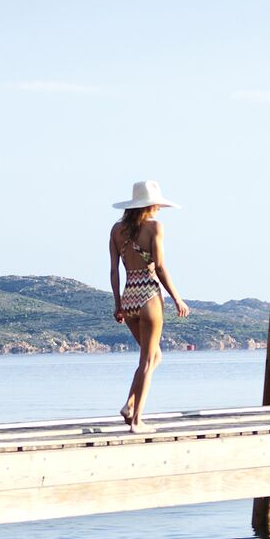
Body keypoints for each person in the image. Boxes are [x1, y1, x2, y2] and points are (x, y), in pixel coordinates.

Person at [107, 181, 186, 430]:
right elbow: (160, 267)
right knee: (148, 362)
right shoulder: (154, 228)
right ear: (150, 206)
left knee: (154, 356)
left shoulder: (116, 230)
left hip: (129, 294)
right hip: (149, 294)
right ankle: (137, 421)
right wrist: (176, 298)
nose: (159, 209)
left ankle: (129, 404)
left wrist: (118, 304)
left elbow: (113, 271)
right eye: (157, 205)